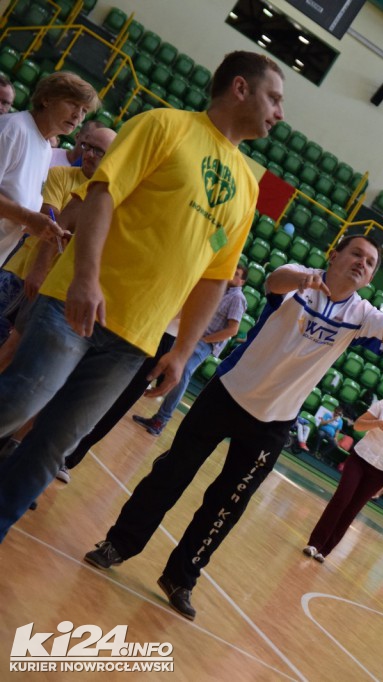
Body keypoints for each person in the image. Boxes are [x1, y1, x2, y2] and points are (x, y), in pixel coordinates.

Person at [0, 52, 286, 541]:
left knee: (53, 446)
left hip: (135, 339)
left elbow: (214, 275)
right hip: (74, 306)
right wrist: (85, 278)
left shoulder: (247, 186)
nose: (279, 113)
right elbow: (102, 194)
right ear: (240, 88)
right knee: (16, 404)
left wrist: (182, 351)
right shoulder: (164, 125)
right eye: (274, 98)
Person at [84, 235, 383, 620]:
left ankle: (180, 577)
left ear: (370, 277)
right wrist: (303, 281)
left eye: (370, 262)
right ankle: (119, 544)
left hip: (275, 421)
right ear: (334, 255)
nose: (362, 263)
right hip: (228, 392)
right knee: (171, 472)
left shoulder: (362, 313)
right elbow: (274, 280)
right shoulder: (300, 277)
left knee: (227, 504)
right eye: (356, 254)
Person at [0, 125, 116, 372]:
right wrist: (41, 267)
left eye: (98, 151)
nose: (89, 154)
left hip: (59, 287)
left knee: (15, 354)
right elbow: (51, 221)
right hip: (24, 270)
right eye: (87, 146)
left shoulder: (111, 197)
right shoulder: (61, 174)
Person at [304, 372, 383, 562]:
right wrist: (378, 423)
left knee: (352, 509)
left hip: (380, 471)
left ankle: (325, 550)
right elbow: (358, 425)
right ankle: (315, 543)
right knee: (341, 499)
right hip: (360, 458)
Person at [130, 264, 248, 437]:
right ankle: (148, 405)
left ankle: (161, 420)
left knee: (182, 373)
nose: (232, 275)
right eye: (233, 271)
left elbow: (233, 330)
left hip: (204, 342)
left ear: (242, 282)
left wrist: (205, 340)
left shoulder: (237, 297)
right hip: (192, 336)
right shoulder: (221, 290)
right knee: (168, 363)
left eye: (237, 274)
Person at [0, 71, 91, 265]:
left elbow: (15, 213)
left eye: (84, 110)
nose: (78, 115)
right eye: (73, 103)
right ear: (47, 99)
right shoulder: (13, 129)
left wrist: (47, 231)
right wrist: (28, 218)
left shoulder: (46, 148)